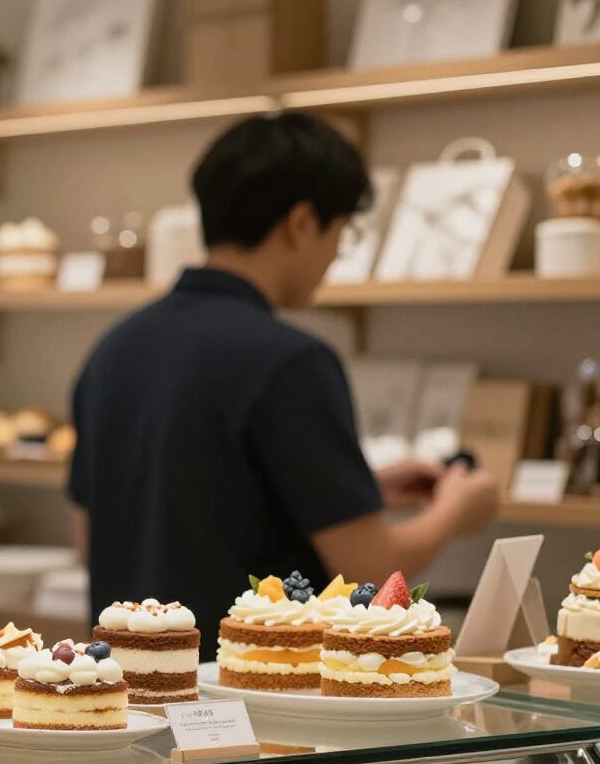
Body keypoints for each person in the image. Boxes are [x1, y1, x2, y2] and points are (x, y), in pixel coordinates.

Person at [67, 111, 499, 644]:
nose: (337, 252)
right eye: (342, 230)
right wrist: (456, 512)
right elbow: (368, 571)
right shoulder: (291, 361)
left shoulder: (114, 348)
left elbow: (106, 532)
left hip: (131, 686)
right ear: (301, 223)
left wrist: (356, 493)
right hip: (251, 691)